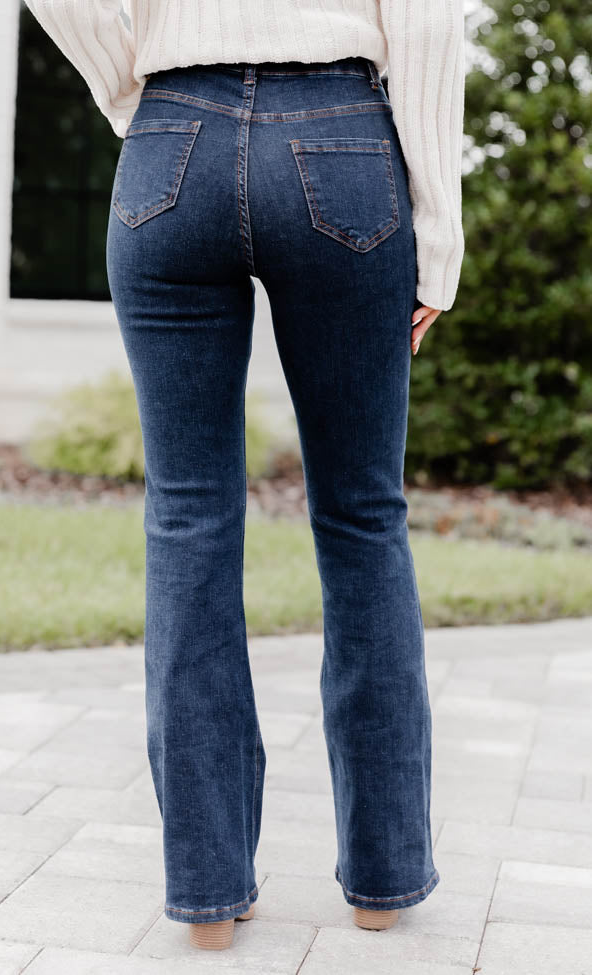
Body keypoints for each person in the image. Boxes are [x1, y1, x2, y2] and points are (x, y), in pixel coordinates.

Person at [23, 0, 465, 953]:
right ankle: (383, 879)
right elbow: (428, 21)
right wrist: (440, 233)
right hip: (342, 142)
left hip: (170, 142)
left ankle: (210, 893)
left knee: (187, 519)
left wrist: (135, 92)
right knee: (362, 518)